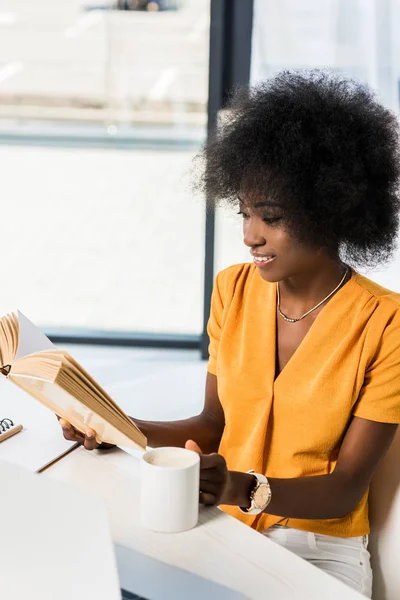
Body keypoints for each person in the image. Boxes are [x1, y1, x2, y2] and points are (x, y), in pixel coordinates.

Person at [59, 70, 400, 597]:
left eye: (271, 217)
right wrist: (115, 426)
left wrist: (241, 488)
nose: (249, 235)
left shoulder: (386, 322)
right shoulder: (233, 290)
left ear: (331, 210)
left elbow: (345, 489)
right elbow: (213, 424)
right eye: (243, 213)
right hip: (223, 529)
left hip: (318, 549)